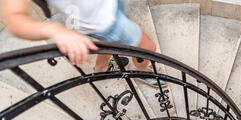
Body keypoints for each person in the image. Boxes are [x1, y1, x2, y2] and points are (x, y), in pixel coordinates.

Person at [2, 0, 162, 85]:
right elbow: (15, 19)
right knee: (148, 47)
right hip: (102, 22)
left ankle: (101, 69)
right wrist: (55, 30)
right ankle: (144, 73)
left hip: (109, 7)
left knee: (109, 43)